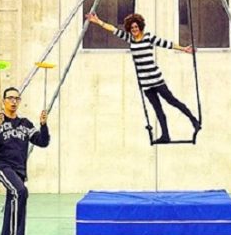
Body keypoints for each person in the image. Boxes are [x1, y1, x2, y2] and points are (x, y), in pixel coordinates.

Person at [85, 11, 199, 144]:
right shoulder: (130, 39)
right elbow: (113, 29)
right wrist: (98, 21)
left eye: (136, 27)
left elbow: (166, 44)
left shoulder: (148, 37)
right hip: (145, 84)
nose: (134, 29)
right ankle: (165, 135)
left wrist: (183, 49)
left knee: (172, 101)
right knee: (158, 109)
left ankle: (194, 121)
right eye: (132, 27)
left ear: (140, 27)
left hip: (156, 80)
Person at [0, 87, 50, 235]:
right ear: (3, 101)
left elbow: (43, 142)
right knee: (20, 191)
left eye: (17, 98)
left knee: (11, 209)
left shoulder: (25, 124)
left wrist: (43, 125)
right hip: (2, 167)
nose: (13, 101)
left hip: (19, 170)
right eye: (10, 98)